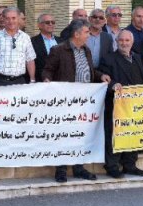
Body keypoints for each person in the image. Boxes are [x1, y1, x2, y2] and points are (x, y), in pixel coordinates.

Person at [42, 19, 107, 182]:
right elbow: (48, 70)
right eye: (86, 32)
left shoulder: (86, 50)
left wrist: (101, 76)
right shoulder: (58, 50)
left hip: (85, 101)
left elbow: (90, 71)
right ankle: (61, 170)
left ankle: (79, 168)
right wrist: (46, 80)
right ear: (76, 34)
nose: (89, 35)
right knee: (64, 135)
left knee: (81, 135)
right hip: (65, 101)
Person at [102, 30, 143, 178]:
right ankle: (112, 166)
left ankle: (130, 165)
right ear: (116, 41)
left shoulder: (137, 57)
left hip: (137, 105)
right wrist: (113, 84)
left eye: (127, 40)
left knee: (134, 134)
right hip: (117, 106)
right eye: (121, 40)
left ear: (132, 42)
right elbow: (103, 79)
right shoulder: (108, 58)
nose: (124, 43)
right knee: (115, 136)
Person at [0, 7, 36, 87]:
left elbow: (30, 60)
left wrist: (32, 79)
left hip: (19, 82)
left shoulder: (26, 38)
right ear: (3, 19)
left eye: (13, 18)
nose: (11, 21)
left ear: (18, 19)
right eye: (7, 18)